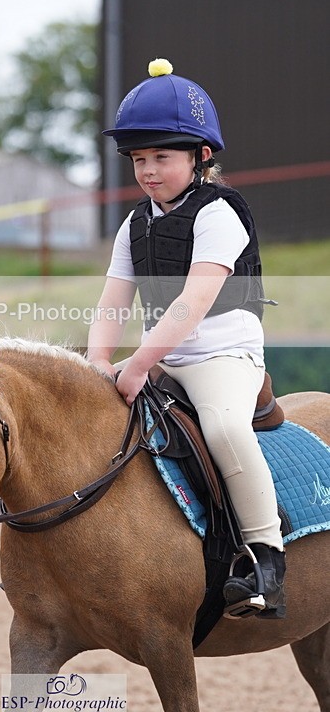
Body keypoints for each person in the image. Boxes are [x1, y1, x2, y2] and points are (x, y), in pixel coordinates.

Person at [87, 58, 286, 619]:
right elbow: (113, 299)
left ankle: (266, 561)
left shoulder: (220, 213)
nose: (148, 171)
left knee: (223, 427)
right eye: (139, 159)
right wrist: (99, 359)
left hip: (224, 353)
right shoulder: (135, 222)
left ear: (201, 156)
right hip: (163, 357)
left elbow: (192, 305)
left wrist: (137, 363)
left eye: (161, 158)